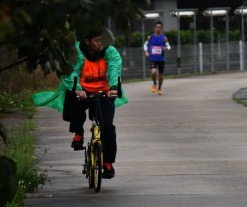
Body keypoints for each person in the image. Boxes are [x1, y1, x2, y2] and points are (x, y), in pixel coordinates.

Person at [33, 29, 127, 179]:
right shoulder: (77, 52)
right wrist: (77, 89)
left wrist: (114, 87)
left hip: (103, 92)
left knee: (108, 128)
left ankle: (107, 163)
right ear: (87, 42)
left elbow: (114, 68)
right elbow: (71, 72)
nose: (100, 43)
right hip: (83, 91)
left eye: (101, 40)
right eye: (97, 40)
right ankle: (78, 133)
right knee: (73, 102)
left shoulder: (109, 51)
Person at [144, 21, 171, 95]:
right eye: (157, 27)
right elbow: (145, 45)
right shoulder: (150, 37)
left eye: (159, 27)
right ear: (154, 28)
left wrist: (166, 48)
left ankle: (159, 88)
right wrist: (146, 52)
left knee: (161, 75)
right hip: (152, 58)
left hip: (161, 59)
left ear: (161, 29)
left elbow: (169, 47)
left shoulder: (164, 38)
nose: (158, 28)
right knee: (153, 72)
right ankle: (154, 83)